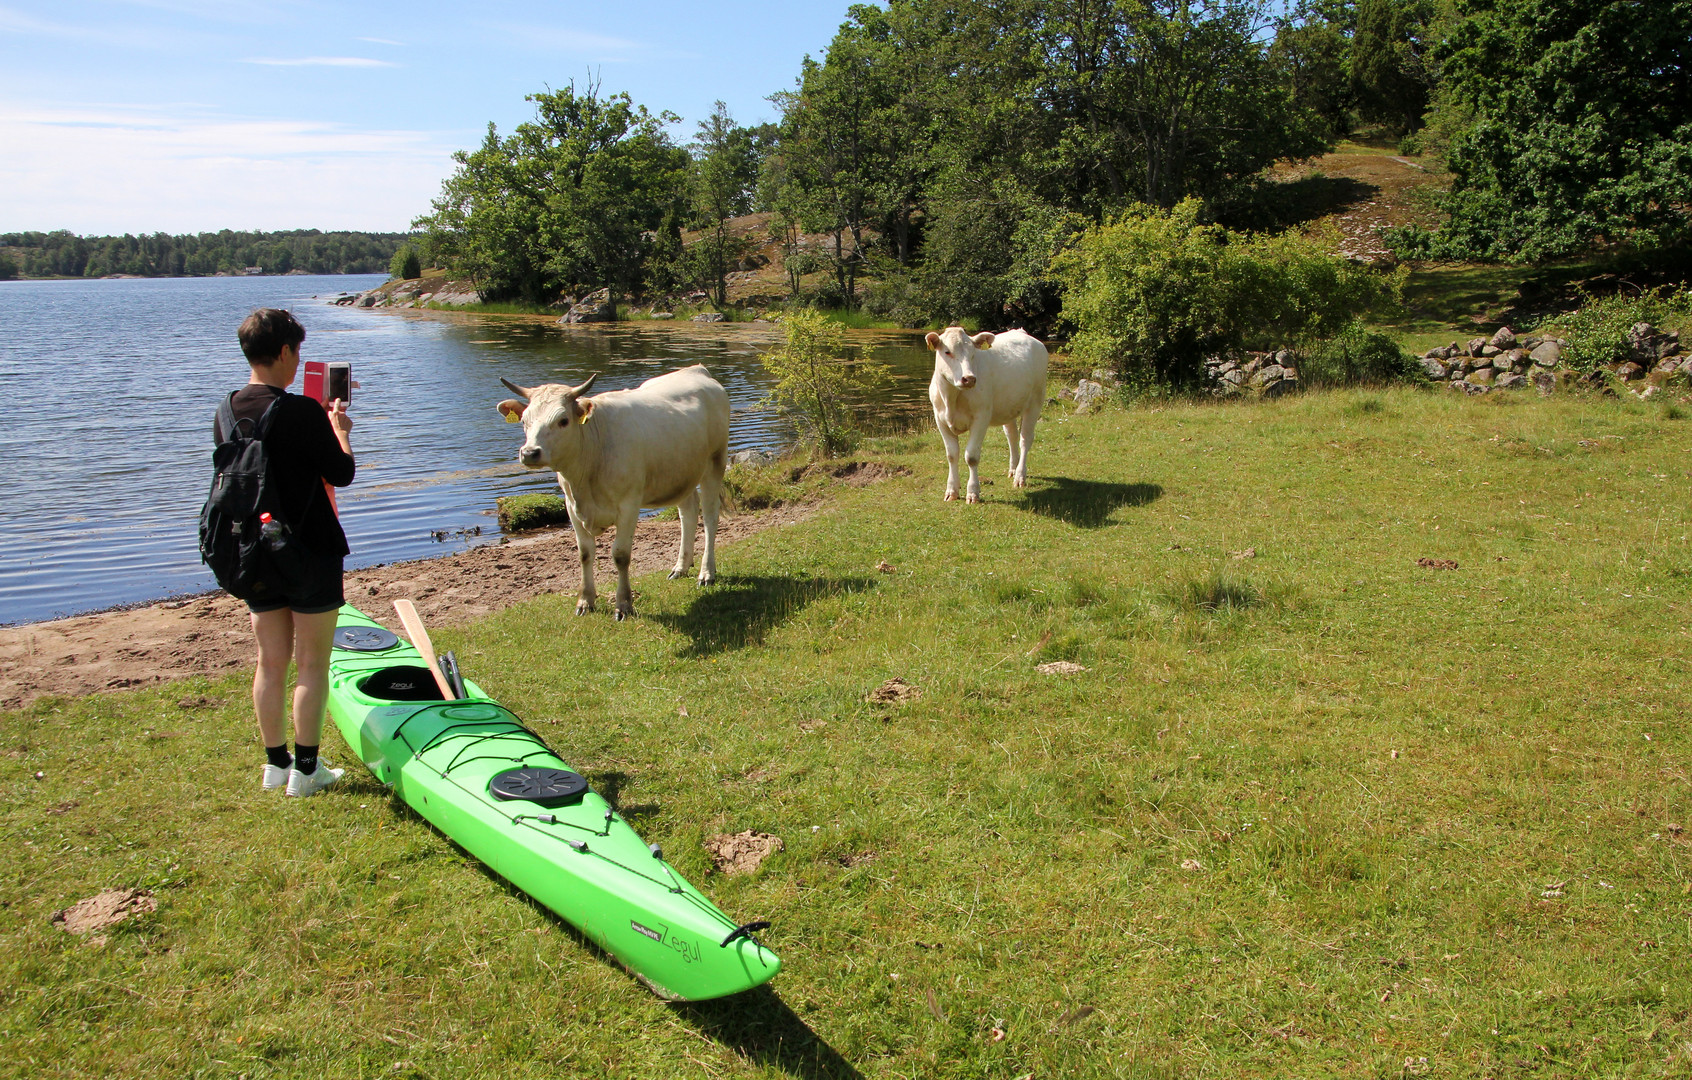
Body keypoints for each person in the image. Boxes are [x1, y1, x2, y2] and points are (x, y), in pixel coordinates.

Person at [215, 308, 355, 797]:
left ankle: (276, 766)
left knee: (269, 662)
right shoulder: (301, 411)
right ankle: (308, 770)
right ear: (284, 352)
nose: (299, 360)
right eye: (297, 351)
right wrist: (340, 429)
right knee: (313, 664)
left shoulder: (227, 409)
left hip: (253, 549)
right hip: (309, 550)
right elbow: (340, 473)